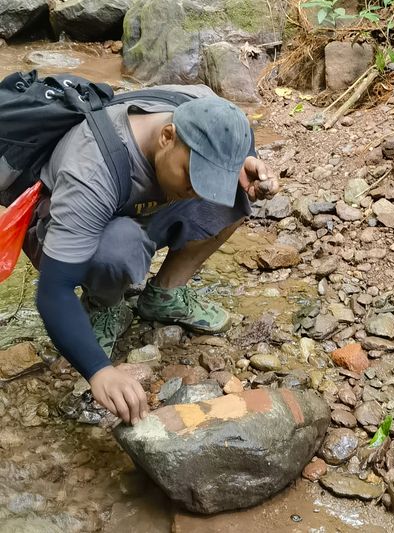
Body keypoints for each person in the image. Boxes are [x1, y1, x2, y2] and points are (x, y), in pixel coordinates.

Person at [23, 84, 278, 426]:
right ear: (167, 136)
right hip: (67, 230)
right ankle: (103, 304)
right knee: (121, 247)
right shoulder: (92, 169)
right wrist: (99, 370)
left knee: (234, 194)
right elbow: (53, 292)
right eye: (191, 174)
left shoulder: (216, 117)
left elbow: (237, 155)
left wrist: (247, 172)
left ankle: (164, 294)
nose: (198, 190)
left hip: (140, 206)